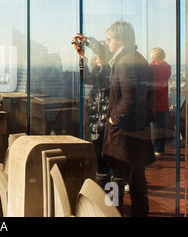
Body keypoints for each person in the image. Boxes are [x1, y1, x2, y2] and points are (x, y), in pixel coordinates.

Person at [102, 21, 155, 217]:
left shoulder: (124, 62)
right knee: (136, 178)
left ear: (119, 39)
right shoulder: (136, 58)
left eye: (109, 39)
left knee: (117, 176)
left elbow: (129, 97)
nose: (107, 43)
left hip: (124, 132)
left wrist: (114, 119)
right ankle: (140, 213)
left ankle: (112, 213)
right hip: (136, 129)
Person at [73, 34, 113, 187]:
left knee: (107, 158)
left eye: (100, 54)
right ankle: (104, 190)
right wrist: (82, 58)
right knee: (99, 156)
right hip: (97, 119)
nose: (97, 57)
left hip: (106, 119)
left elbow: (104, 53)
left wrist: (88, 41)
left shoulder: (112, 70)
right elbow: (87, 79)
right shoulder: (101, 70)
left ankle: (112, 197)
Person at [148, 47, 172, 155]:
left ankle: (156, 148)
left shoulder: (153, 67)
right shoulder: (167, 67)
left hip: (155, 99)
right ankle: (160, 147)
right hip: (164, 99)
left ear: (154, 56)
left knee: (156, 125)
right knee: (161, 124)